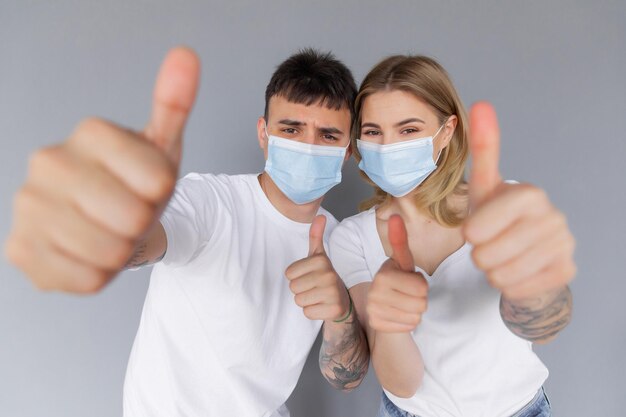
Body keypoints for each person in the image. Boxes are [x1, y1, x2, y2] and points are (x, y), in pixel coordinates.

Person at [4, 47, 369, 416]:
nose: (306, 147)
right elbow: (148, 239)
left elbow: (346, 378)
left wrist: (340, 314)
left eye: (327, 136)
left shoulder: (342, 245)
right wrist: (106, 227)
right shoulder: (210, 201)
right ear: (264, 133)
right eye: (290, 129)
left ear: (347, 152)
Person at [329, 55, 575, 417]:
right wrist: (391, 326)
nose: (387, 145)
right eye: (373, 132)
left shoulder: (500, 206)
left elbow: (545, 327)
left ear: (446, 131)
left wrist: (530, 283)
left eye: (408, 130)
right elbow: (402, 383)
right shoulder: (352, 238)